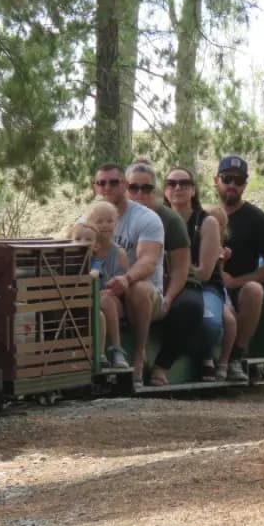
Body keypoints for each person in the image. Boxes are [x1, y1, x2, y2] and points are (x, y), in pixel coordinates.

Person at [125, 159, 203, 386]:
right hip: (135, 279)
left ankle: (162, 366)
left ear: (155, 190)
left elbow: (180, 268)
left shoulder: (170, 220)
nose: (140, 193)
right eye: (134, 188)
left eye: (146, 188)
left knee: (189, 307)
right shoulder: (116, 215)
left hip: (176, 281)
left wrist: (168, 298)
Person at [93, 162, 165, 386]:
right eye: (101, 183)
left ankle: (139, 357)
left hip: (147, 295)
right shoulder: (89, 219)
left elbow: (148, 260)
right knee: (103, 299)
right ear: (95, 187)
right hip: (108, 290)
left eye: (113, 182)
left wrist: (126, 278)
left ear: (124, 185)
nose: (107, 188)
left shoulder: (146, 218)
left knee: (138, 289)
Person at [215, 155, 264, 381]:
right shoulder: (205, 215)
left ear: (245, 184)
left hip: (239, 287)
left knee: (254, 290)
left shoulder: (257, 218)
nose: (232, 185)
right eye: (227, 178)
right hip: (208, 284)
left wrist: (235, 282)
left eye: (239, 180)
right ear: (216, 180)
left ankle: (236, 356)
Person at [164, 166, 224, 381]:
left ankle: (206, 354)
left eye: (184, 183)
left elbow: (205, 273)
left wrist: (176, 271)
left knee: (209, 323)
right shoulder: (157, 220)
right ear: (164, 190)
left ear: (193, 190)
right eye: (171, 183)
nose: (177, 188)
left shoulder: (207, 223)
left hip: (204, 286)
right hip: (167, 283)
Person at [78, 202, 130, 369]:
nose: (105, 225)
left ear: (116, 223)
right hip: (90, 297)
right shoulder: (82, 248)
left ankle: (117, 350)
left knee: (106, 299)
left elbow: (122, 288)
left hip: (113, 300)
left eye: (109, 221)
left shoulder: (119, 253)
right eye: (99, 221)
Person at [204, 204, 239, 380]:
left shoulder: (221, 249)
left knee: (230, 319)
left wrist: (223, 259)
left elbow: (217, 275)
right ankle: (207, 356)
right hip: (202, 287)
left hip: (216, 288)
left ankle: (225, 360)